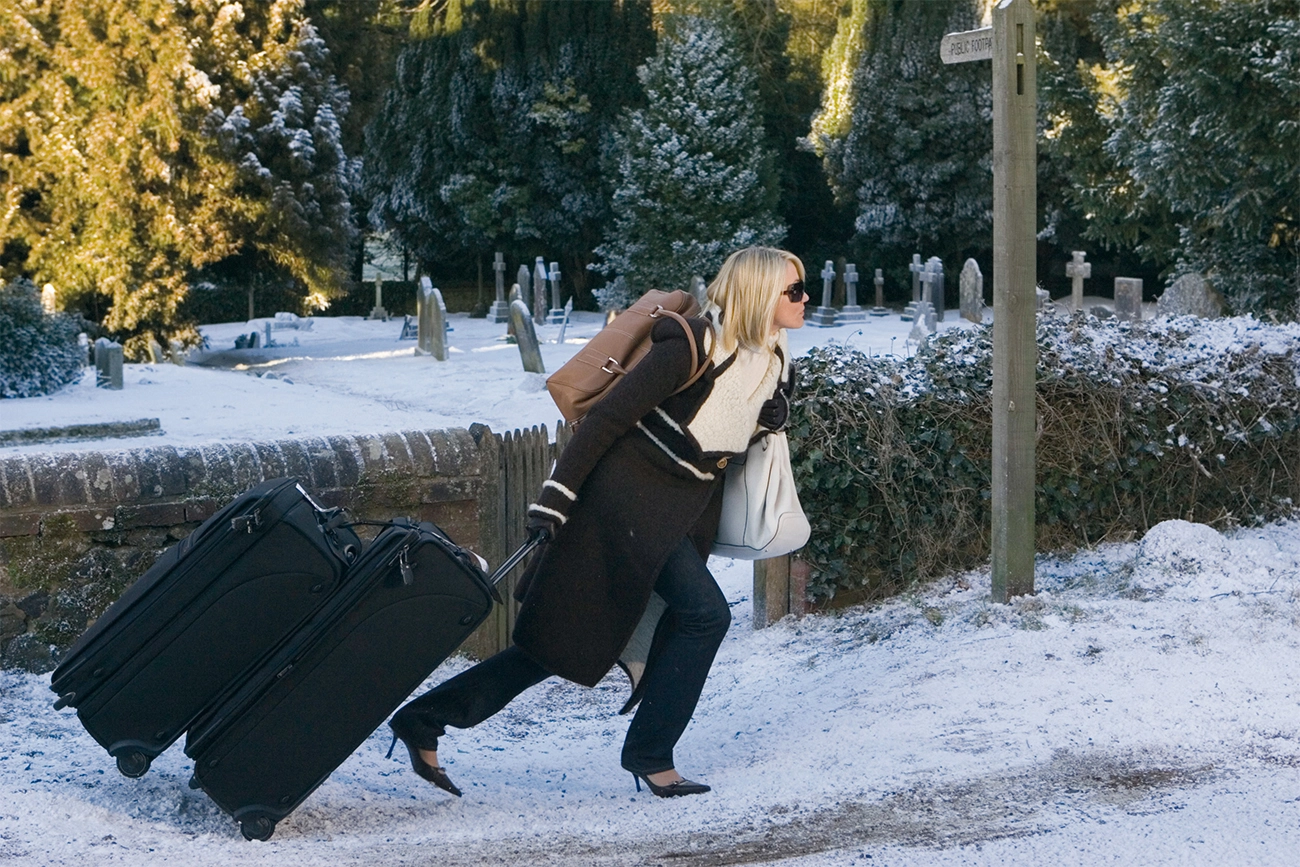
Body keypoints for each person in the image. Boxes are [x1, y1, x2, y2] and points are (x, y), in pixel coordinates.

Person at [386, 246, 808, 798]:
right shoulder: (694, 344)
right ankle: (651, 755)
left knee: (564, 642)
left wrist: (765, 422)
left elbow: (717, 432)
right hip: (626, 501)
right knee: (705, 615)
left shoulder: (775, 359)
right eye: (794, 290)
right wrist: (556, 498)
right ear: (759, 294)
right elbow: (607, 418)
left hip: (683, 510)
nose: (804, 301)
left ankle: (424, 719)